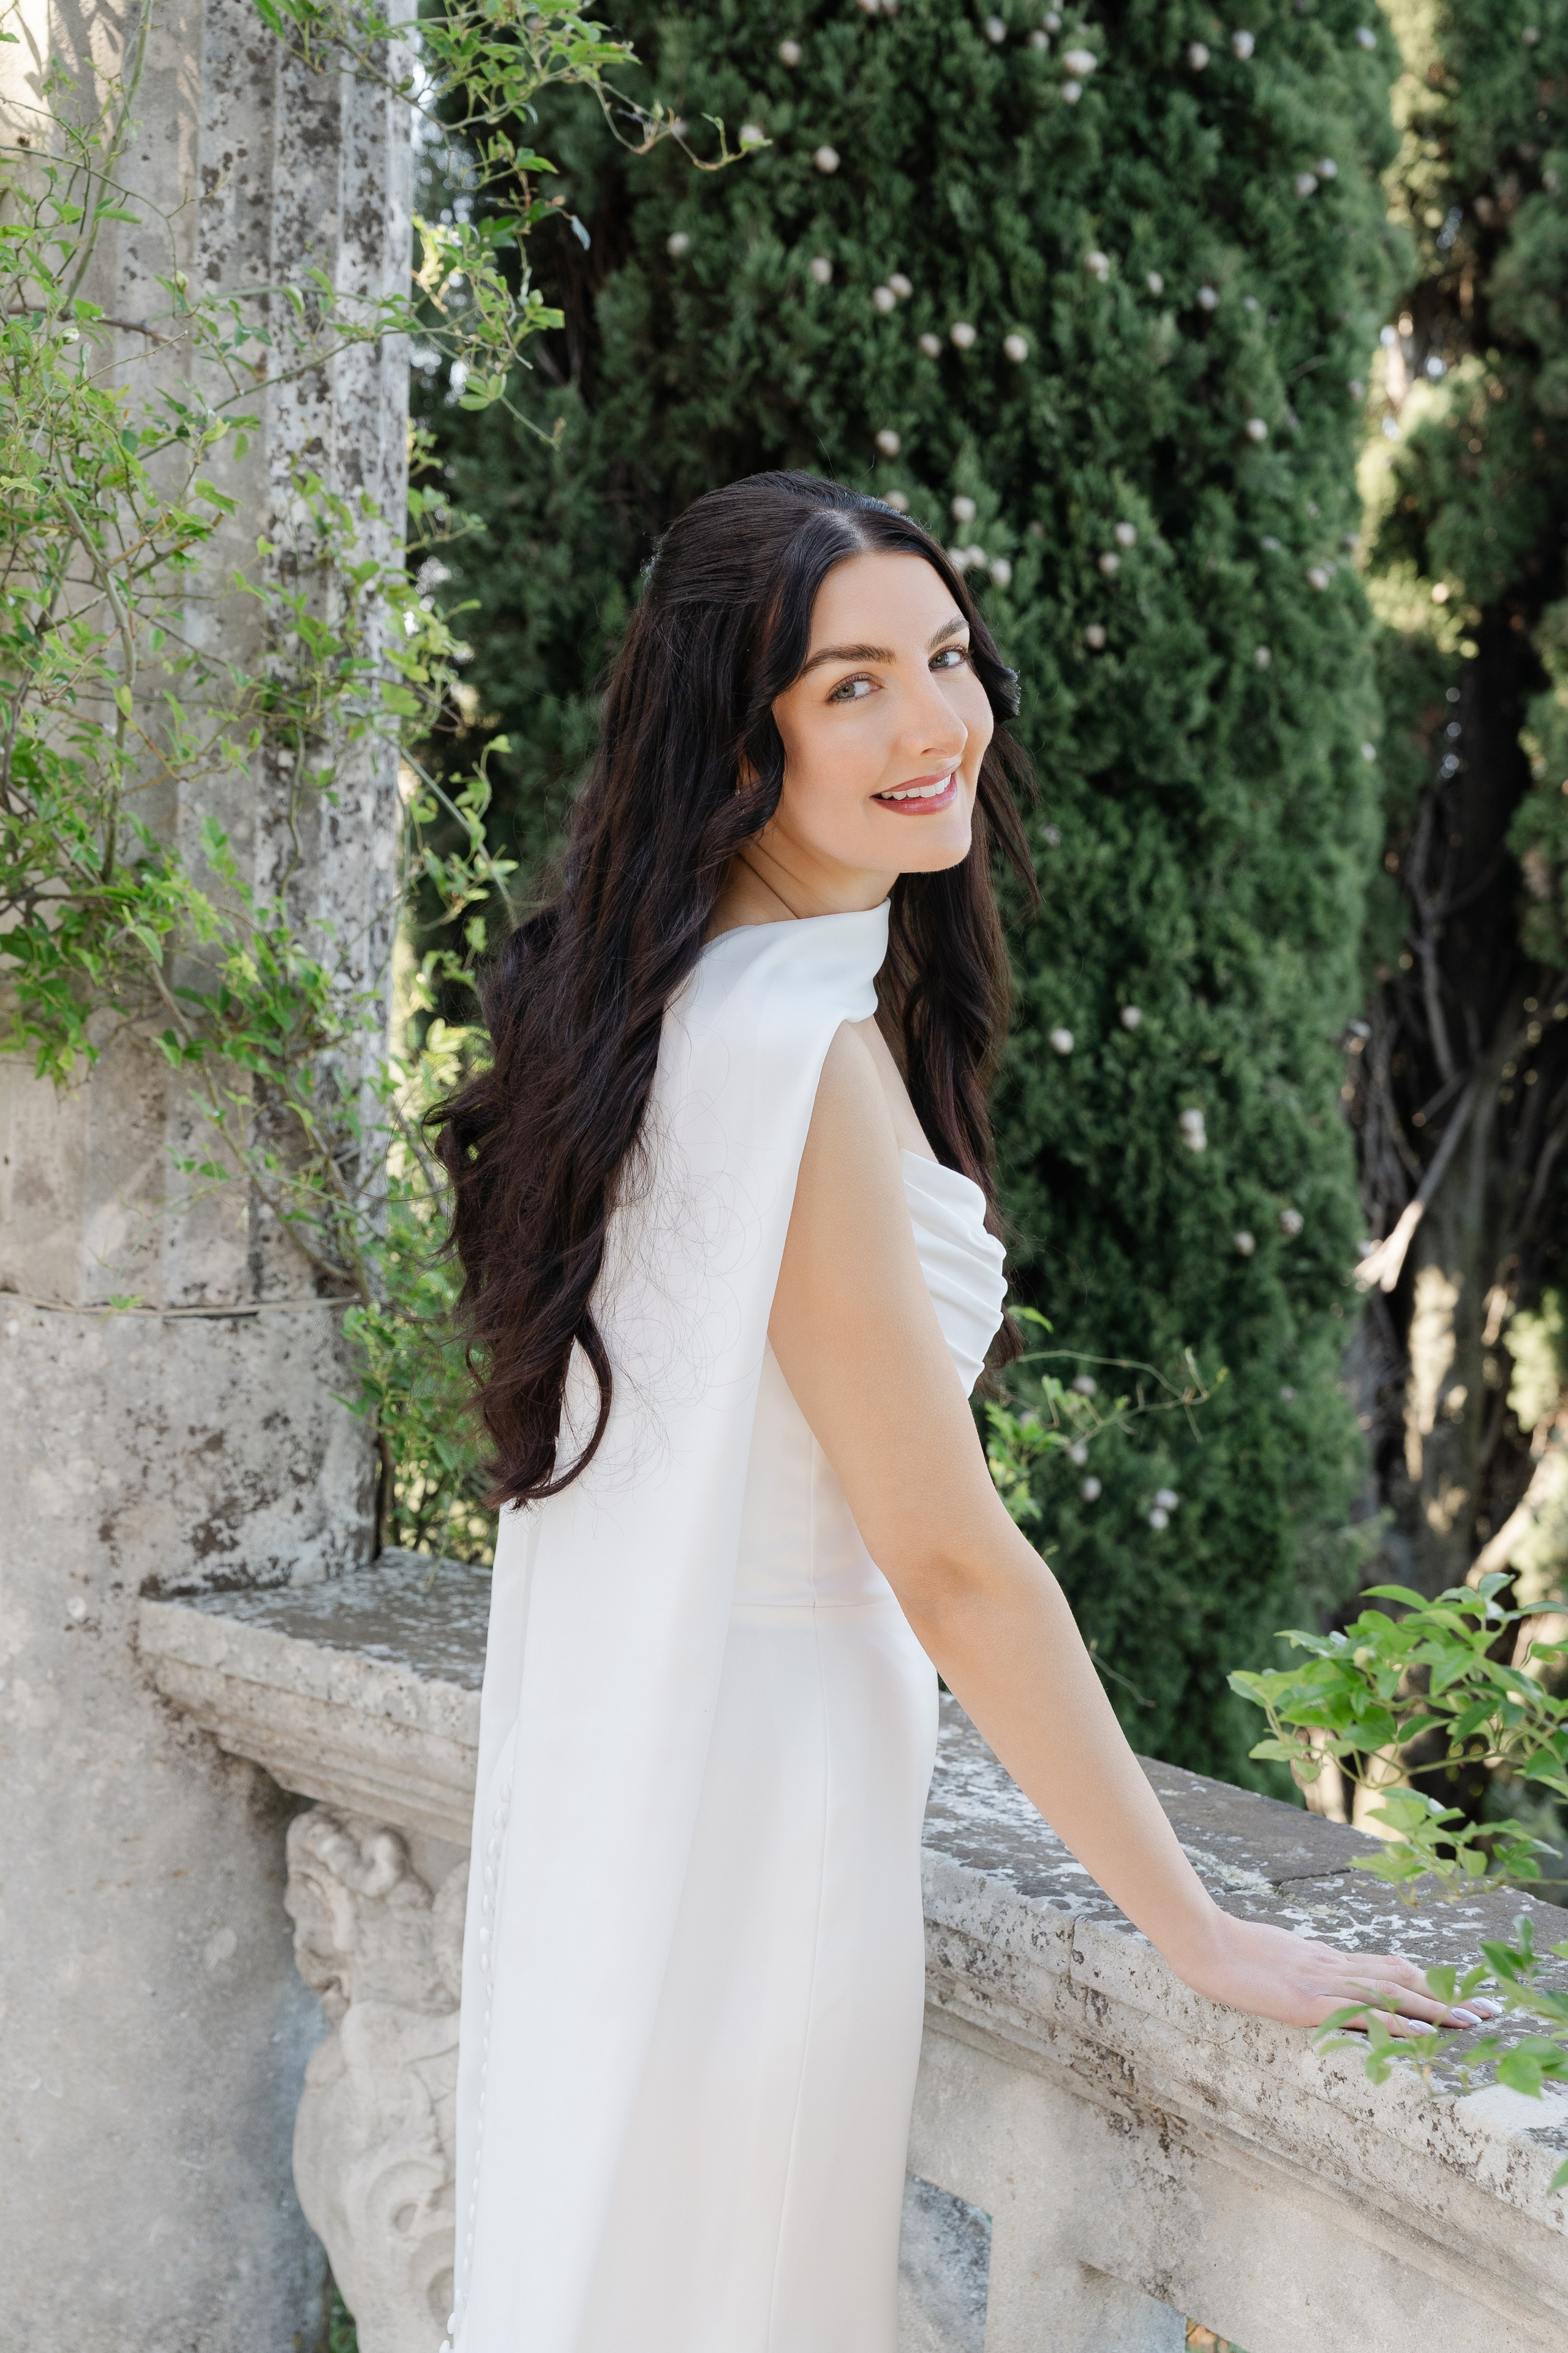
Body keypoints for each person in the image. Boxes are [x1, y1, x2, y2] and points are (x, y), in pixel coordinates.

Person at [431, 472, 1493, 2353]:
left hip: (658, 1779)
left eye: (945, 657)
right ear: (732, 738)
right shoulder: (801, 1062)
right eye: (851, 685)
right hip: (768, 1820)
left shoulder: (664, 1013)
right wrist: (1207, 1928)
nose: (938, 723)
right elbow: (949, 1554)